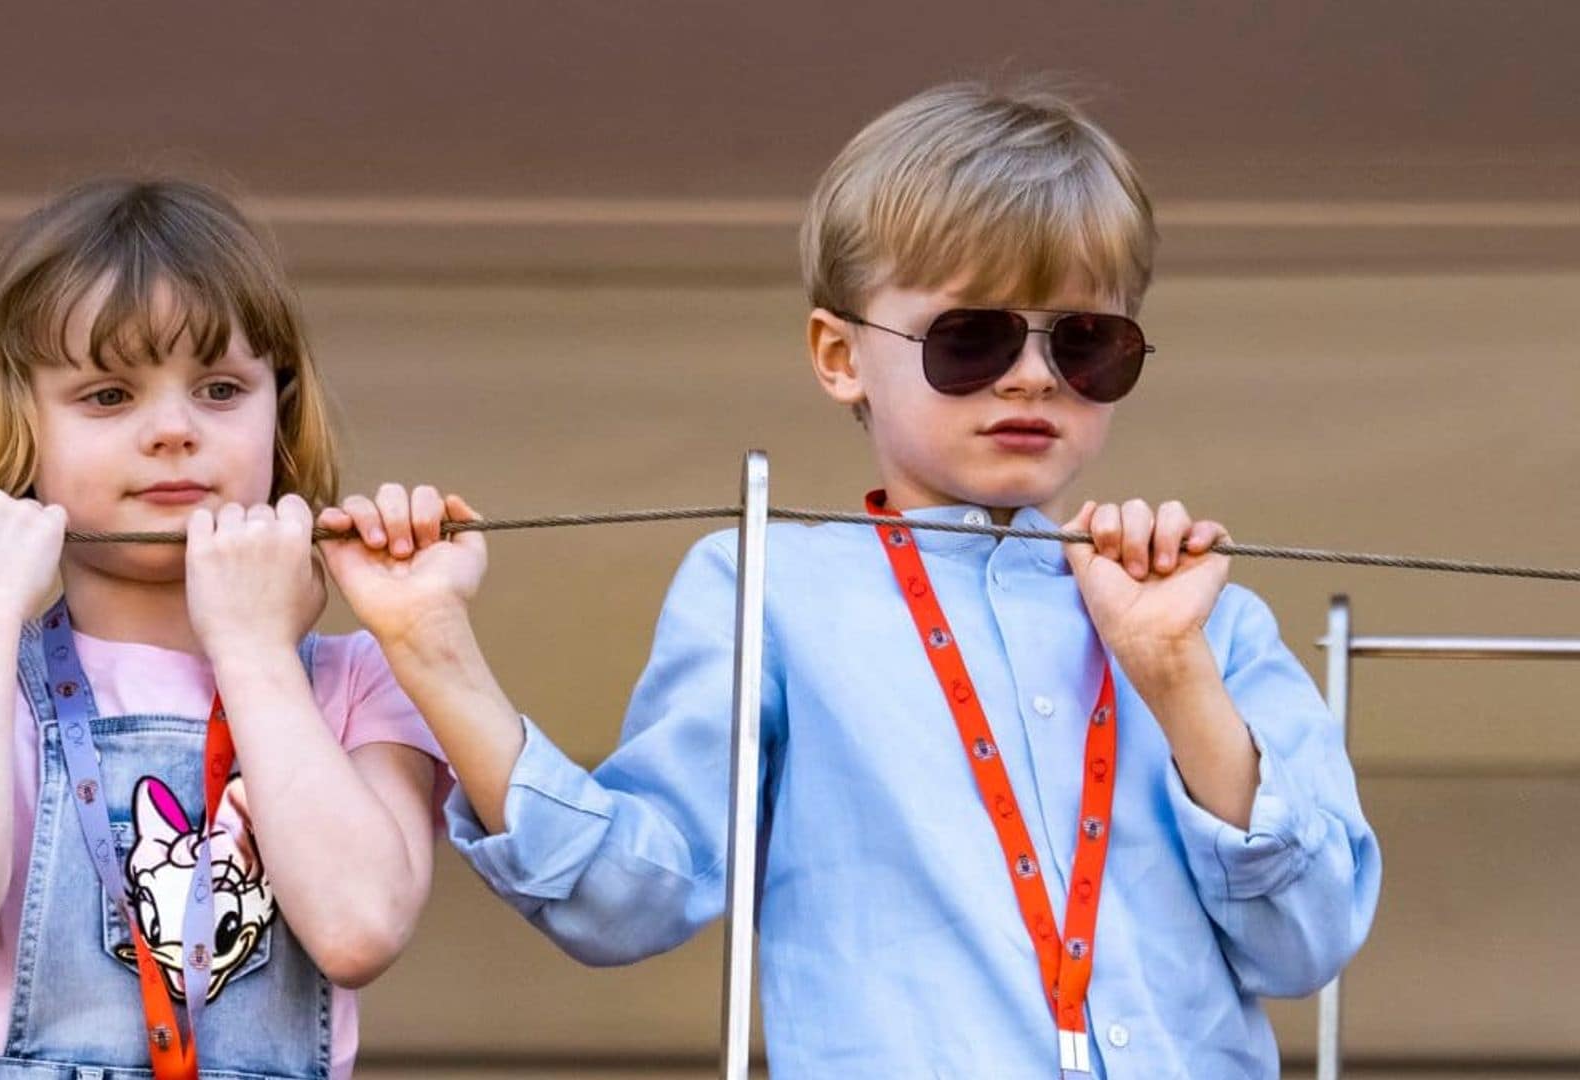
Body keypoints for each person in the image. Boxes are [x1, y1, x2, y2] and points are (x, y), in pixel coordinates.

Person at [327, 84, 1383, 1077]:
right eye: (971, 337)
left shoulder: (1218, 623)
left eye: (1086, 342)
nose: (1032, 375)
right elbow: (626, 902)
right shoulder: (770, 585)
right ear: (838, 356)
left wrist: (1172, 668)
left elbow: (1308, 943)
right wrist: (429, 641)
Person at [0, 177, 448, 1080]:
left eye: (220, 387)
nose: (173, 430)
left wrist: (250, 645)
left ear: (278, 407)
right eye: (109, 396)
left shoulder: (357, 677)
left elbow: (359, 930)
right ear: (19, 424)